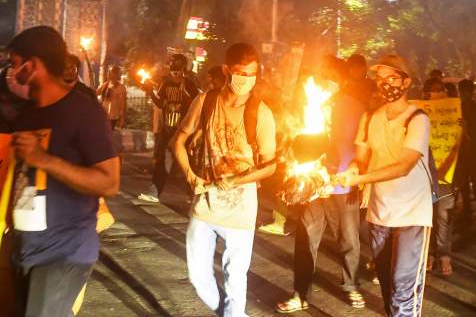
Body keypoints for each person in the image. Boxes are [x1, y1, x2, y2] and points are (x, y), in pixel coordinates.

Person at [6, 26, 120, 315]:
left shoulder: (84, 112)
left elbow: (109, 183)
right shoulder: (26, 114)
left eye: (14, 64)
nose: (10, 72)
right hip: (24, 247)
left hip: (64, 252)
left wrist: (44, 159)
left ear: (32, 66)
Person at [173, 43, 277, 317]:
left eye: (252, 74)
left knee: (235, 280)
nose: (246, 80)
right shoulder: (206, 101)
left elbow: (270, 166)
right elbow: (179, 141)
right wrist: (189, 174)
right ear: (227, 70)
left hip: (241, 211)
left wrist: (241, 177)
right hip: (205, 204)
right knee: (198, 277)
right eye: (241, 73)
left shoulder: (262, 113)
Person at [335, 54, 432, 317]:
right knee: (388, 286)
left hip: (412, 214)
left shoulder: (418, 120)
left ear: (406, 82)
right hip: (380, 214)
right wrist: (354, 168)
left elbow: (403, 166)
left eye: (392, 78)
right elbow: (361, 159)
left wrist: (359, 180)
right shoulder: (371, 118)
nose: (385, 83)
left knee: (403, 287)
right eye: (380, 78)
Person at [276, 57, 366, 313]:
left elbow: (362, 147)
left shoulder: (355, 107)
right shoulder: (309, 104)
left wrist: (357, 177)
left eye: (332, 77)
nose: (326, 82)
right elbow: (296, 140)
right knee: (306, 239)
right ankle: (300, 293)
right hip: (313, 186)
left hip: (342, 185)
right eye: (323, 75)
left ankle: (351, 285)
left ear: (342, 81)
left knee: (349, 239)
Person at [140, 54, 199, 203]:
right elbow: (160, 103)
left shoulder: (189, 85)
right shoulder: (165, 84)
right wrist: (150, 92)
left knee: (187, 164)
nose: (175, 69)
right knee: (162, 162)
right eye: (172, 65)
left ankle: (195, 193)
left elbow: (196, 106)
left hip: (184, 132)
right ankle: (155, 191)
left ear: (184, 68)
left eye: (177, 66)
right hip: (168, 130)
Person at [422, 79, 455, 277]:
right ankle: (429, 253)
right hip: (425, 175)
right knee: (427, 217)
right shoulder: (419, 115)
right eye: (433, 90)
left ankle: (443, 254)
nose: (437, 93)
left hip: (446, 177)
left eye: (440, 90)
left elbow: (462, 147)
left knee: (443, 217)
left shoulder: (453, 114)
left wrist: (462, 129)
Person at [455, 79, 476, 222]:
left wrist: (467, 130)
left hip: (473, 151)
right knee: (464, 183)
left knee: (475, 181)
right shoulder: (456, 108)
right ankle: (468, 209)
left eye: (466, 91)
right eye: (462, 91)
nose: (463, 94)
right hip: (461, 152)